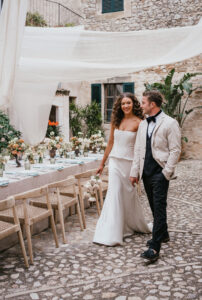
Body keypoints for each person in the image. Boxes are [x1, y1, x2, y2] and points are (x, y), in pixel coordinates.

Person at [93, 93, 151, 246]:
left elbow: (141, 148)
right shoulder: (116, 121)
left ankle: (128, 224)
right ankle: (112, 232)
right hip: (115, 163)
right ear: (120, 105)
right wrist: (102, 164)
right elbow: (110, 143)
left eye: (128, 103)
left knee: (127, 195)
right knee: (115, 193)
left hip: (129, 164)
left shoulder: (140, 122)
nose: (125, 106)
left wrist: (138, 170)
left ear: (133, 104)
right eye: (123, 103)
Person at [130, 90, 181, 262]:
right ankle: (164, 234)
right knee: (153, 205)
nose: (141, 105)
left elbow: (175, 150)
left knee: (159, 208)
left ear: (152, 104)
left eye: (143, 102)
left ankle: (155, 247)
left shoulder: (170, 123)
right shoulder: (143, 124)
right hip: (146, 172)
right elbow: (138, 150)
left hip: (160, 172)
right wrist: (134, 172)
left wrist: (166, 172)